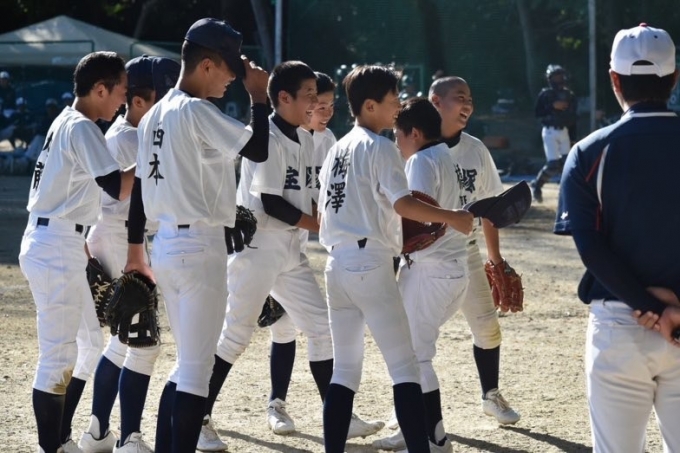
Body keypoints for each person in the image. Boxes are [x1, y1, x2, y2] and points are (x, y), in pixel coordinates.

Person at [197, 61, 382, 451]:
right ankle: (197, 416)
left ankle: (339, 416)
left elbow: (308, 199)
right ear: (284, 98)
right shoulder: (267, 137)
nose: (315, 102)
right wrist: (326, 227)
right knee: (236, 335)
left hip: (289, 250)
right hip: (259, 248)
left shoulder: (304, 137)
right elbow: (272, 203)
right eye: (309, 95)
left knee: (321, 329)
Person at [124, 17, 270, 453]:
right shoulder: (196, 110)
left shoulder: (155, 114)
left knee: (187, 366)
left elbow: (142, 191)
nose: (233, 78)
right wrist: (259, 98)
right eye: (229, 68)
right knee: (195, 373)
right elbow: (258, 149)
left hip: (167, 246)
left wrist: (136, 249)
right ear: (206, 64)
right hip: (199, 248)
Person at [317, 65, 473, 453]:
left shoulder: (336, 148)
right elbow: (404, 205)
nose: (398, 106)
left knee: (344, 371)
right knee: (405, 368)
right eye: (392, 100)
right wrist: (452, 217)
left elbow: (324, 212)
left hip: (335, 264)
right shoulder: (382, 147)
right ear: (370, 106)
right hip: (370, 263)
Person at [554, 23, 680, 452]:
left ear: (614, 79)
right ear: (674, 77)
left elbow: (591, 248)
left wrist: (650, 306)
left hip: (619, 323)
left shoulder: (588, 151)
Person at [17, 51, 134, 453]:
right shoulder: (82, 127)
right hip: (55, 245)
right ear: (99, 89)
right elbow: (117, 186)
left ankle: (62, 439)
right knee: (58, 358)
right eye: (120, 90)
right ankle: (51, 448)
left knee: (89, 345)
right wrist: (157, 160)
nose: (123, 99)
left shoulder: (68, 121)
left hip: (61, 241)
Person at [76, 56, 180, 453]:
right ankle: (129, 437)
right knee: (141, 342)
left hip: (124, 237)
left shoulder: (136, 132)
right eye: (160, 98)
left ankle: (98, 432)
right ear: (138, 101)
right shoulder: (127, 139)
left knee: (122, 344)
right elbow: (124, 192)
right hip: (118, 238)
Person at [372, 98, 470, 453]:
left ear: (414, 133)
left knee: (415, 356)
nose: (396, 141)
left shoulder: (421, 161)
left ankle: (435, 439)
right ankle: (410, 428)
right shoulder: (446, 155)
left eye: (398, 134)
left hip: (431, 271)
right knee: (412, 354)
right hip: (450, 269)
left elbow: (417, 219)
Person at [428, 76, 521, 426]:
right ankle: (405, 406)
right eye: (459, 97)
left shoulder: (475, 149)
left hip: (465, 251)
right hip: (425, 257)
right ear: (436, 102)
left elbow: (490, 209)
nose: (467, 104)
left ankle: (490, 395)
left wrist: (495, 260)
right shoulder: (416, 145)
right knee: (418, 338)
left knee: (488, 328)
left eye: (470, 98)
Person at [531, 64, 578, 203]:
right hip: (550, 131)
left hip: (564, 131)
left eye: (560, 76)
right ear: (550, 79)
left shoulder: (569, 95)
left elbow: (573, 118)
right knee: (553, 165)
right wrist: (552, 106)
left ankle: (567, 193)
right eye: (556, 77)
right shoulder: (545, 94)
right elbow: (538, 113)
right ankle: (537, 185)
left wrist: (573, 137)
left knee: (568, 164)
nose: (559, 80)